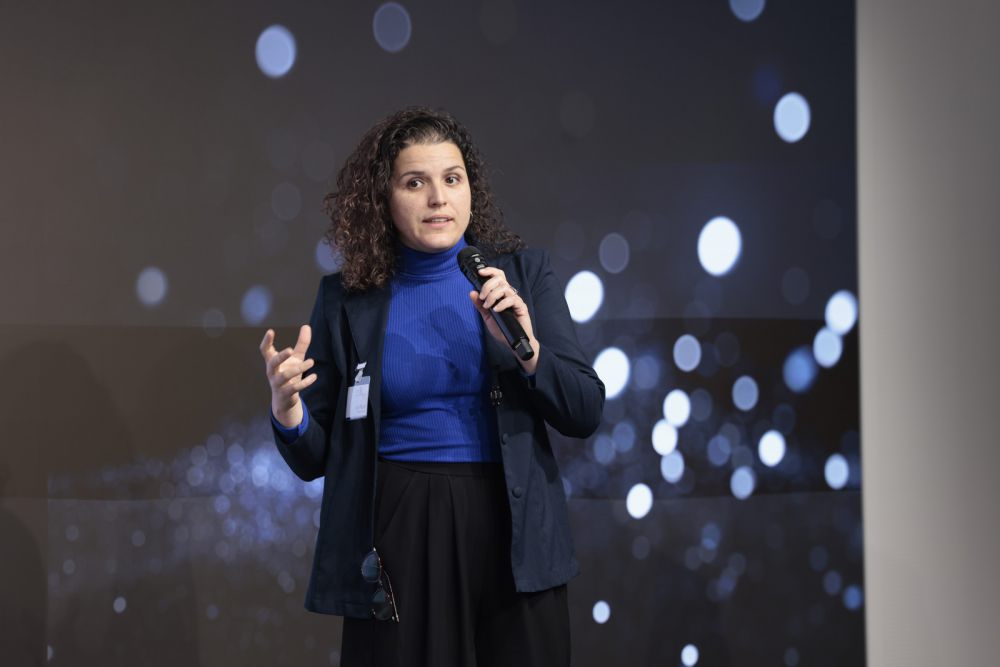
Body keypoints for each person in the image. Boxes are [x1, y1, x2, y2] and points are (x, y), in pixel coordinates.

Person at [259, 106, 604, 666]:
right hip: (399, 529)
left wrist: (530, 351)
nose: (438, 198)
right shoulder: (347, 299)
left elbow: (584, 411)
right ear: (383, 199)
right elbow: (315, 457)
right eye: (415, 183)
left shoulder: (524, 276)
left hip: (512, 524)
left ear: (471, 189)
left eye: (452, 178)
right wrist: (287, 409)